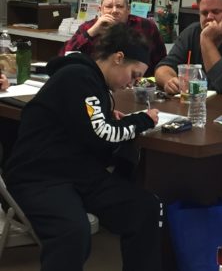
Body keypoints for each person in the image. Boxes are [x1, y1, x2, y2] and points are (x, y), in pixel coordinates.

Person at [5, 24, 162, 271]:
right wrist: (143, 119)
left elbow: (90, 124)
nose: (133, 83)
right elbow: (102, 134)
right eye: (134, 75)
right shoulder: (78, 77)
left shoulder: (94, 83)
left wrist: (108, 118)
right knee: (71, 232)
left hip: (78, 172)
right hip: (40, 176)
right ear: (118, 58)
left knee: (144, 208)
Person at [60, 0, 166, 76]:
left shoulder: (146, 26)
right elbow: (65, 56)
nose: (114, 11)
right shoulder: (89, 27)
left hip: (138, 85)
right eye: (109, 6)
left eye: (120, 6)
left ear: (128, 9)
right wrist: (91, 33)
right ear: (100, 9)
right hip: (97, 83)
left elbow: (161, 61)